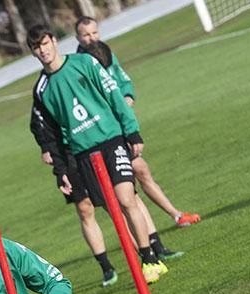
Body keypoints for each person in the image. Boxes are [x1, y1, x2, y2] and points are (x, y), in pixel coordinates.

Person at [28, 23, 168, 284]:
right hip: (83, 154)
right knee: (113, 209)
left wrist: (132, 131)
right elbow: (52, 136)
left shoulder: (85, 63)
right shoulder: (41, 90)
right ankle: (144, 256)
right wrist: (61, 172)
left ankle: (150, 257)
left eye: (45, 44)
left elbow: (113, 95)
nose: (42, 50)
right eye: (36, 47)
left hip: (111, 140)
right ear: (33, 52)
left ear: (55, 42)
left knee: (126, 199)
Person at [75, 16, 200, 228]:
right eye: (86, 35)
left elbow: (122, 81)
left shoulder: (105, 53)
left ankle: (170, 220)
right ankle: (153, 236)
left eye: (94, 33)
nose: (91, 38)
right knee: (132, 182)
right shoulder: (79, 65)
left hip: (120, 128)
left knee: (140, 173)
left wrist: (127, 96)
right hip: (105, 133)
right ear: (77, 37)